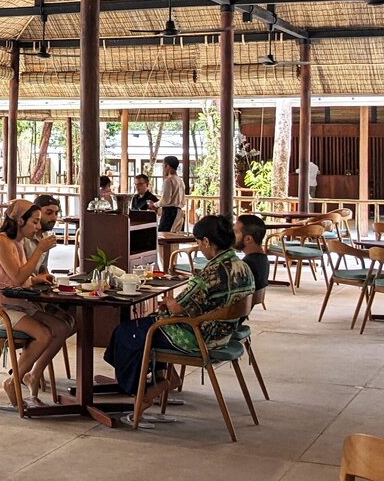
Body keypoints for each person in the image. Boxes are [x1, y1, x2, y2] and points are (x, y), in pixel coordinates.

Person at [102, 214, 254, 396]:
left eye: (198, 242)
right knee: (148, 325)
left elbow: (177, 308)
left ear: (206, 241)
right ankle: (159, 379)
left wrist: (168, 301)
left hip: (199, 336)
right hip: (224, 334)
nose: (199, 247)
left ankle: (138, 390)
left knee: (127, 332)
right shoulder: (243, 267)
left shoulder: (212, 272)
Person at [0, 203, 72, 408]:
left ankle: (33, 374)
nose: (38, 227)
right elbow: (18, 278)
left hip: (15, 305)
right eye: (35, 221)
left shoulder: (17, 242)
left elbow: (20, 279)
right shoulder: (0, 241)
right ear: (20, 221)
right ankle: (13, 381)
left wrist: (37, 279)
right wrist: (39, 250)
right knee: (43, 334)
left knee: (62, 326)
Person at [234, 213, 271, 292]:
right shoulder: (262, 259)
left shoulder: (247, 265)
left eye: (236, 232)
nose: (232, 236)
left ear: (248, 239)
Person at [159, 155, 184, 232]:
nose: (163, 168)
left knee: (163, 235)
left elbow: (165, 201)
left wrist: (154, 204)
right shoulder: (180, 180)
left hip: (169, 213)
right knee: (175, 236)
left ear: (167, 165)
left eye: (163, 165)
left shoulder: (168, 180)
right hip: (179, 212)